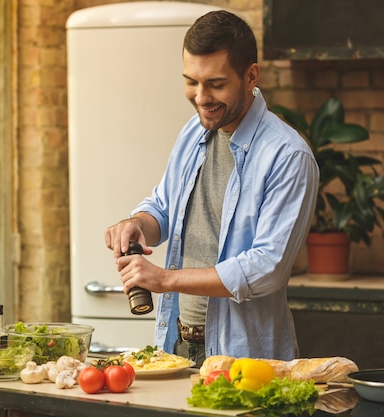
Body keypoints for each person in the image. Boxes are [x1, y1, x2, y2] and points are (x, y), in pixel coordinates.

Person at [104, 10, 319, 367]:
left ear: (251, 76)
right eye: (191, 81)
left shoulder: (288, 156)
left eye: (216, 84)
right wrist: (139, 223)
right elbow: (164, 207)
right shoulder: (194, 132)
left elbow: (267, 267)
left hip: (247, 361)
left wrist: (165, 279)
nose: (201, 97)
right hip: (177, 346)